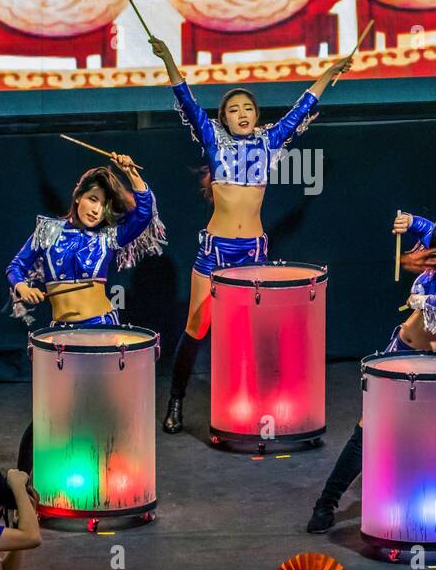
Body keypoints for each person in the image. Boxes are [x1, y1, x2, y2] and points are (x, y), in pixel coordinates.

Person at [148, 36, 351, 434]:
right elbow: (187, 101)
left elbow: (303, 106)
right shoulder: (214, 141)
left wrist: (329, 72)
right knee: (197, 326)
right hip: (214, 251)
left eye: (247, 108)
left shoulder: (269, 141)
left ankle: (258, 402)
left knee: (253, 334)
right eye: (233, 109)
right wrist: (170, 57)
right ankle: (176, 399)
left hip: (252, 252)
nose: (241, 113)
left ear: (256, 115)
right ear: (223, 119)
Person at [306, 210, 436, 534]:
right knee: (368, 431)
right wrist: (410, 222)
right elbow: (429, 230)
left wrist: (424, 299)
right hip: (405, 356)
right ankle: (326, 502)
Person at [6, 153, 165, 471]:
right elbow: (16, 267)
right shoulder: (48, 232)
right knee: (51, 412)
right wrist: (22, 288)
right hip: (60, 333)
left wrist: (131, 172)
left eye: (104, 204)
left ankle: (106, 478)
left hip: (101, 329)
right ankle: (21, 484)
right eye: (92, 199)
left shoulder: (109, 237)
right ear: (78, 197)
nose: (96, 209)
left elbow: (143, 212)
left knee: (102, 408)